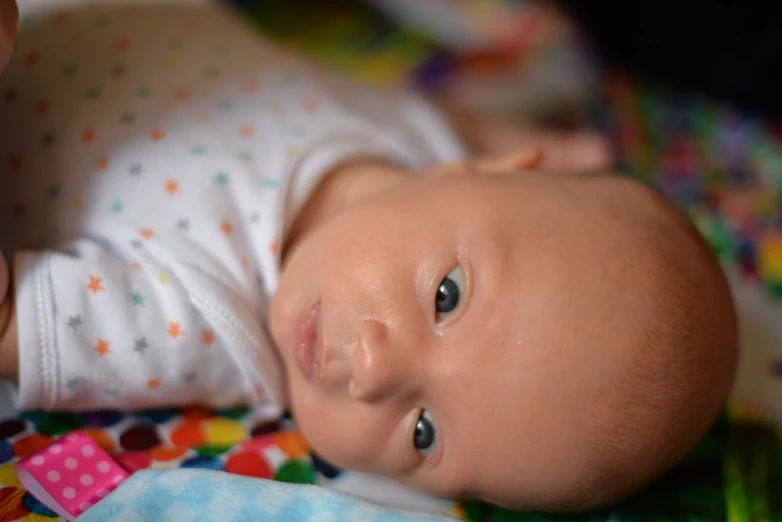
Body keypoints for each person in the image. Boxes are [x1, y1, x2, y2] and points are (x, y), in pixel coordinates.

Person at [0, 0, 737, 511]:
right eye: (447, 298)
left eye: (425, 432)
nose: (377, 371)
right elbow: (463, 130)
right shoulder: (426, 151)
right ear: (489, 172)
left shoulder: (200, 322)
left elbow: (15, 318)